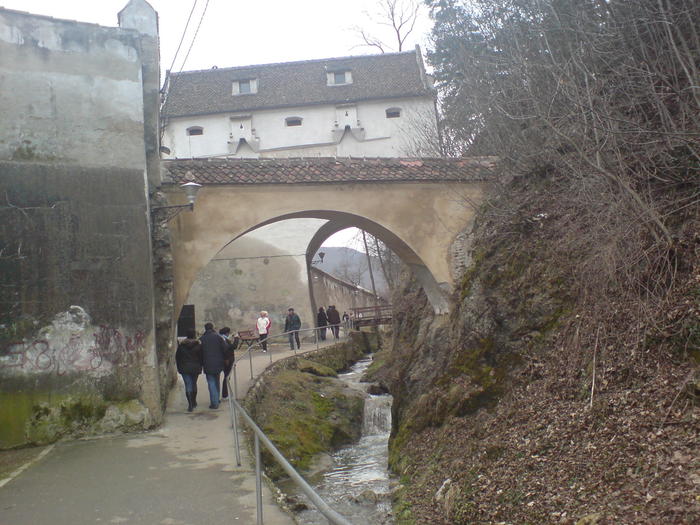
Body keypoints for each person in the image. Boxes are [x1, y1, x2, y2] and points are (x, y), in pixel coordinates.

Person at [200, 322, 227, 409]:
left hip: (207, 363)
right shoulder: (218, 337)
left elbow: (199, 352)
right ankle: (217, 399)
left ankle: (214, 402)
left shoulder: (202, 339)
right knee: (217, 381)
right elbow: (225, 348)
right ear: (212, 328)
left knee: (211, 382)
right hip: (218, 362)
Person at [175, 329, 202, 412]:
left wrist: (179, 367)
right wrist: (200, 366)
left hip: (184, 368)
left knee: (188, 385)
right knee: (194, 383)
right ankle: (194, 401)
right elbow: (202, 357)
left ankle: (190, 404)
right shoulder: (198, 345)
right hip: (195, 367)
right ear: (194, 335)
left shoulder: (181, 346)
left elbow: (177, 357)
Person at [219, 326, 238, 400]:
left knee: (227, 376)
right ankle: (225, 395)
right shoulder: (224, 340)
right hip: (227, 360)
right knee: (227, 377)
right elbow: (233, 347)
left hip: (224, 359)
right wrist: (236, 338)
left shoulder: (221, 338)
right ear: (226, 333)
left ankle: (226, 393)